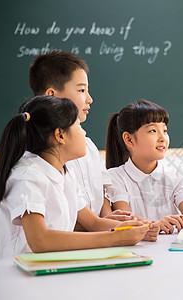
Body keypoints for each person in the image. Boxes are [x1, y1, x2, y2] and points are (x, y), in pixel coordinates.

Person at [0, 96, 151, 260]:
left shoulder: (64, 173)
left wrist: (138, 227)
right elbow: (40, 240)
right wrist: (114, 238)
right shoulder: (28, 176)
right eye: (78, 126)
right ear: (60, 135)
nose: (84, 132)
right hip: (19, 273)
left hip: (52, 267)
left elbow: (93, 223)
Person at [28, 50, 157, 236]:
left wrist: (116, 224)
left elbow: (97, 207)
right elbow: (61, 226)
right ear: (52, 96)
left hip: (90, 241)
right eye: (81, 90)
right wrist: (112, 231)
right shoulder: (44, 156)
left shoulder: (86, 146)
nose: (89, 99)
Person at [104, 99, 183, 234]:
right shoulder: (114, 177)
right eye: (152, 131)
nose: (163, 138)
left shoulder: (175, 176)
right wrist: (155, 224)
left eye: (165, 130)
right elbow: (125, 218)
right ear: (129, 139)